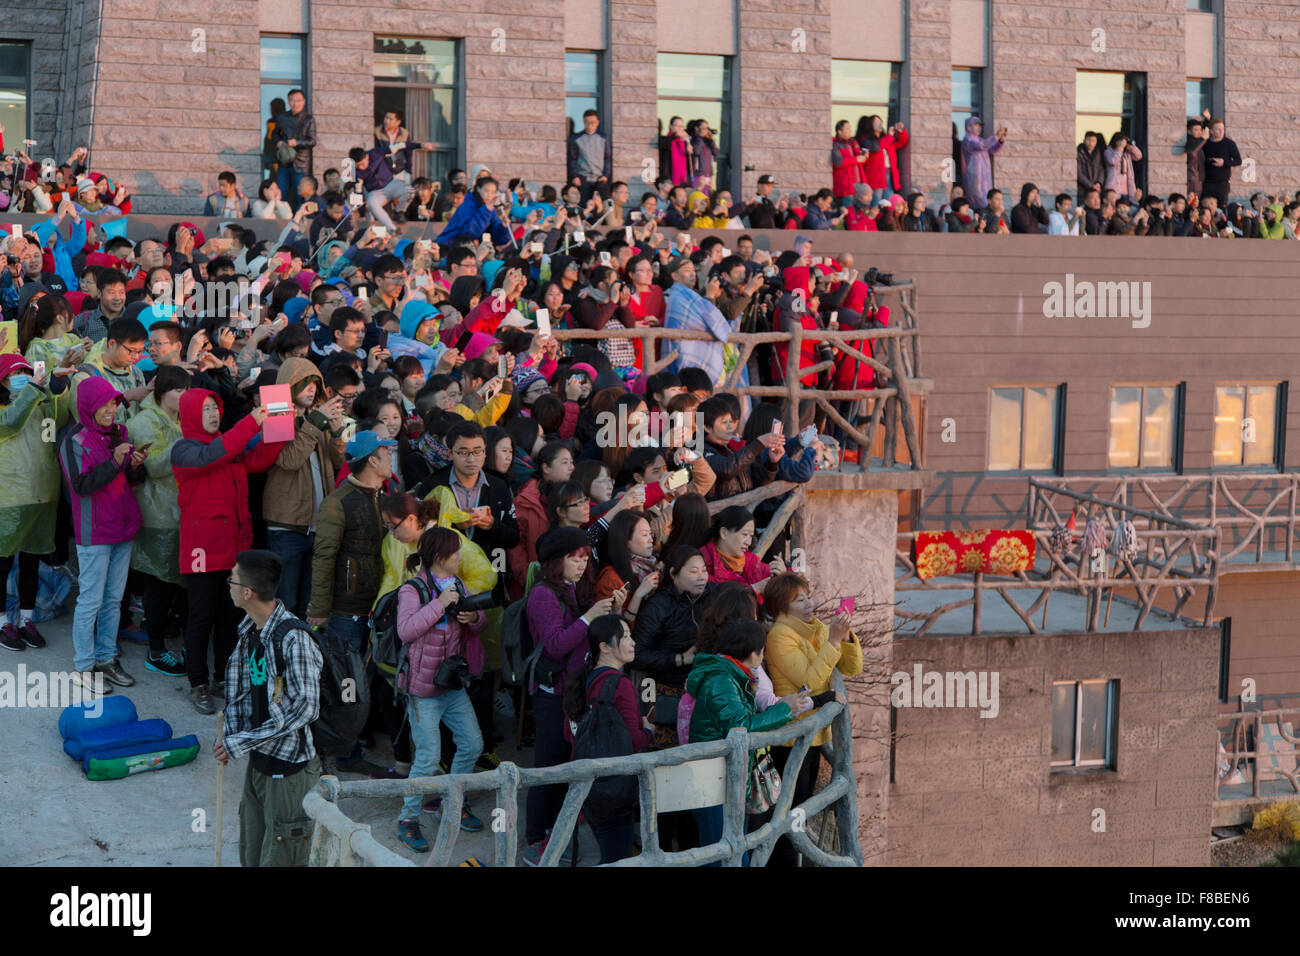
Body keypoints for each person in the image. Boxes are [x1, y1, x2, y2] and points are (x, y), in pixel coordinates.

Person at [171, 390, 282, 713]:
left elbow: (258, 460)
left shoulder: (228, 444)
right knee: (201, 618)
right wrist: (252, 422)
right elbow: (211, 457)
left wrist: (277, 427)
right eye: (205, 409)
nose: (213, 414)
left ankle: (223, 677)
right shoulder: (185, 449)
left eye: (215, 407)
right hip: (202, 549)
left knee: (230, 616)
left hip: (233, 547)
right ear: (190, 414)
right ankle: (198, 683)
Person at [214, 549, 324, 868]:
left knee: (283, 858)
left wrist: (239, 743)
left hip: (288, 772)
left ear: (247, 592)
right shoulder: (249, 631)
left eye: (231, 579)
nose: (229, 585)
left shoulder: (293, 639)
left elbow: (305, 707)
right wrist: (230, 737)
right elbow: (242, 694)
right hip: (259, 764)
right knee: (252, 852)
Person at [522, 526, 614, 866]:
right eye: (575, 559)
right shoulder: (543, 595)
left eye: (584, 558)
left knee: (565, 764)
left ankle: (554, 835)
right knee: (547, 767)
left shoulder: (570, 589)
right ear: (556, 561)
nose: (581, 565)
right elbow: (557, 644)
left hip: (573, 690)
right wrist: (590, 617)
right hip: (551, 694)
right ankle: (535, 840)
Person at [393, 526, 486, 852]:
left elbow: (479, 624)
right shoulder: (412, 590)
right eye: (456, 552)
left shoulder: (457, 584)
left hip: (452, 684)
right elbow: (405, 630)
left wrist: (473, 617)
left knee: (473, 744)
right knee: (428, 759)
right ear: (438, 557)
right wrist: (439, 604)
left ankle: (450, 803)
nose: (461, 557)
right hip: (421, 690)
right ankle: (407, 819)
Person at [685, 619, 804, 861]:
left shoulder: (731, 675)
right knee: (722, 853)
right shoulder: (721, 680)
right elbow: (740, 725)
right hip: (712, 781)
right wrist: (785, 709)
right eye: (763, 650)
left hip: (722, 778)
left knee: (729, 850)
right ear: (753, 654)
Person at [58, 376, 147, 693]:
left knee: (113, 600)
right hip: (94, 532)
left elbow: (130, 480)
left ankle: (107, 659)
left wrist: (136, 465)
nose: (110, 409)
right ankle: (83, 666)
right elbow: (80, 487)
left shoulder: (120, 434)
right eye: (104, 404)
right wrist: (115, 460)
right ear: (87, 407)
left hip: (123, 528)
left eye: (113, 403)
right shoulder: (74, 441)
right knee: (91, 601)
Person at [762, 572, 857, 865]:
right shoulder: (780, 635)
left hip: (812, 736)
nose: (808, 604)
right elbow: (811, 683)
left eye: (807, 597)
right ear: (781, 608)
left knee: (800, 812)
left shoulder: (814, 628)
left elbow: (852, 668)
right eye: (798, 600)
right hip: (790, 737)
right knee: (790, 815)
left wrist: (847, 637)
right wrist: (833, 641)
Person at [561, 614, 653, 864]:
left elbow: (571, 734)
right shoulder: (619, 685)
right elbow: (634, 740)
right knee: (616, 859)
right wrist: (649, 731)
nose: (632, 642)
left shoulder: (585, 678)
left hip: (588, 786)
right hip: (614, 788)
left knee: (609, 851)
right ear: (604, 647)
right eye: (625, 637)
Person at [263, 357, 344, 617]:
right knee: (284, 603)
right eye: (305, 383)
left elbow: (339, 462)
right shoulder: (274, 411)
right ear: (289, 385)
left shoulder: (316, 417)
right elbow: (287, 460)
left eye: (315, 384)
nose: (311, 389)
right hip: (286, 527)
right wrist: (314, 424)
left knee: (311, 604)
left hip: (319, 525)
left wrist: (338, 432)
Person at [124, 364, 189, 676]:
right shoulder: (144, 422)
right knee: (157, 585)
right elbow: (157, 468)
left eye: (187, 390)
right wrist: (183, 442)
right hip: (156, 515)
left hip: (182, 512)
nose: (184, 396)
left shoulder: (181, 420)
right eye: (178, 390)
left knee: (175, 583)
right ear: (161, 392)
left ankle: (165, 637)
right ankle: (156, 650)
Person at [0, 354, 66, 651]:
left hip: (41, 496)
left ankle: (26, 618)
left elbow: (54, 428)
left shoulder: (39, 406)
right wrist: (34, 391)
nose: (23, 378)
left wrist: (55, 387)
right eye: (15, 375)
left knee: (30, 562)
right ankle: (2, 623)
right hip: (7, 501)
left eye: (27, 373)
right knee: (1, 564)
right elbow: (11, 423)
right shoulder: (6, 410)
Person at [700, 505, 782, 594]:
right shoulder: (703, 562)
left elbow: (765, 571)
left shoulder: (748, 559)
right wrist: (754, 589)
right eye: (745, 534)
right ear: (724, 533)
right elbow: (721, 596)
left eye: (751, 536)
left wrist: (782, 573)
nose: (749, 542)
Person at [347, 145, 412, 233]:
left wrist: (419, 145)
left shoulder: (376, 155)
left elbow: (399, 146)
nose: (361, 168)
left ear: (366, 157)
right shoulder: (355, 174)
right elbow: (357, 192)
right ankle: (392, 230)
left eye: (362, 164)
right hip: (374, 199)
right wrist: (361, 211)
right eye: (357, 166)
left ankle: (396, 222)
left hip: (389, 190)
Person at [272, 89, 316, 211]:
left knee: (301, 196)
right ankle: (281, 223)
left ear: (304, 102)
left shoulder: (309, 119)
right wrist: (278, 142)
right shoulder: (281, 117)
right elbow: (274, 134)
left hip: (301, 164)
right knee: (281, 194)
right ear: (288, 101)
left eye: (298, 100)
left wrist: (297, 143)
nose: (295, 103)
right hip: (284, 162)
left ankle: (300, 223)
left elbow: (313, 141)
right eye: (292, 100)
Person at [960, 116, 1006, 212]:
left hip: (985, 179)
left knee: (987, 201)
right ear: (968, 127)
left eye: (980, 125)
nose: (979, 127)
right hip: (974, 179)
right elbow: (982, 146)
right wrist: (996, 136)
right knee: (978, 204)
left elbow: (992, 150)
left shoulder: (981, 140)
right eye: (976, 125)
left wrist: (1001, 141)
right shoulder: (967, 141)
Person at [567, 109, 612, 203]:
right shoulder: (576, 138)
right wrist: (575, 176)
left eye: (592, 123)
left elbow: (607, 158)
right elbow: (572, 159)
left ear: (597, 123)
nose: (589, 126)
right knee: (583, 204)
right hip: (583, 178)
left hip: (599, 178)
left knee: (602, 204)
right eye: (587, 123)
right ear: (583, 122)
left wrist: (606, 175)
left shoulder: (603, 138)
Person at [1201, 117, 1242, 208]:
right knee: (1205, 207)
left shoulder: (1229, 143)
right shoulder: (1206, 143)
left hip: (1222, 183)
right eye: (1218, 129)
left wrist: (1224, 162)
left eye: (1222, 129)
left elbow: (1238, 160)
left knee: (1221, 208)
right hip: (1207, 182)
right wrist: (1206, 120)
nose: (1221, 131)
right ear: (1211, 131)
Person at [1103, 133, 1143, 202]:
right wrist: (1120, 148)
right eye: (1122, 141)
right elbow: (1113, 161)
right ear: (1116, 141)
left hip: (1126, 188)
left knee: (1125, 207)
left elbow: (1138, 156)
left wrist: (1131, 146)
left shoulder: (1126, 153)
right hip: (1114, 188)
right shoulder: (1108, 152)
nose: (1123, 143)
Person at [1076, 131, 1104, 205]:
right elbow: (1078, 173)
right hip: (1082, 188)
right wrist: (1090, 185)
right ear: (1084, 140)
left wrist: (1099, 183)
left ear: (1096, 142)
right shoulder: (1079, 152)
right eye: (1088, 140)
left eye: (1093, 141)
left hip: (1095, 188)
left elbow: (1101, 169)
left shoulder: (1097, 153)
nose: (1091, 143)